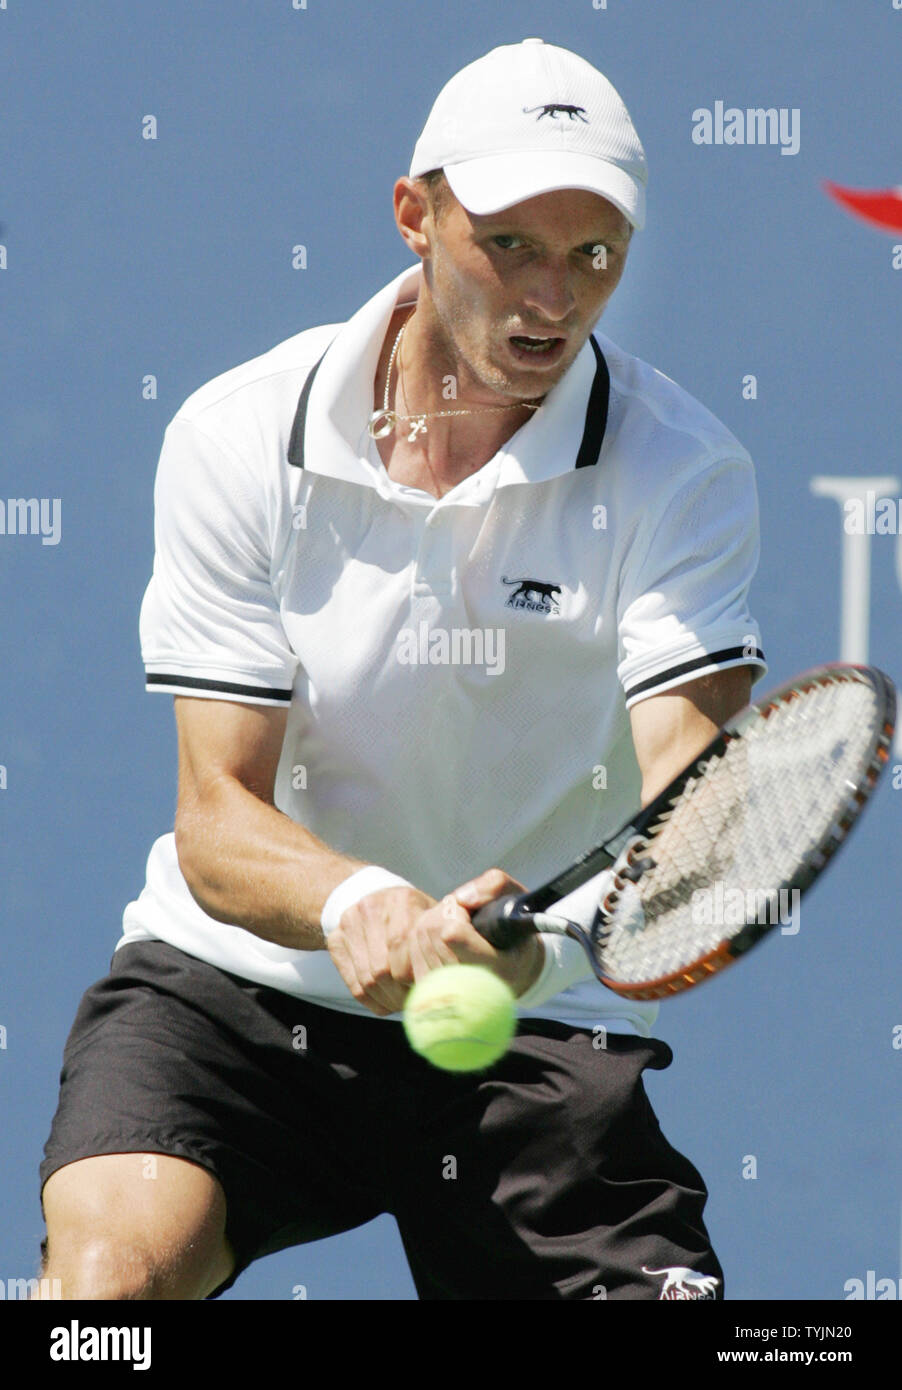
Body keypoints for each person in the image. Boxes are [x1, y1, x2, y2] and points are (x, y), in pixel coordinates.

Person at [38, 38, 766, 1301]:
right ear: (414, 217)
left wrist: (531, 953)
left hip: (530, 1024)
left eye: (592, 254)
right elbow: (217, 820)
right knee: (102, 1294)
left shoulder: (681, 474)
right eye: (511, 247)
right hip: (240, 996)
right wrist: (352, 900)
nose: (552, 297)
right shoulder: (237, 431)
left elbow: (691, 830)